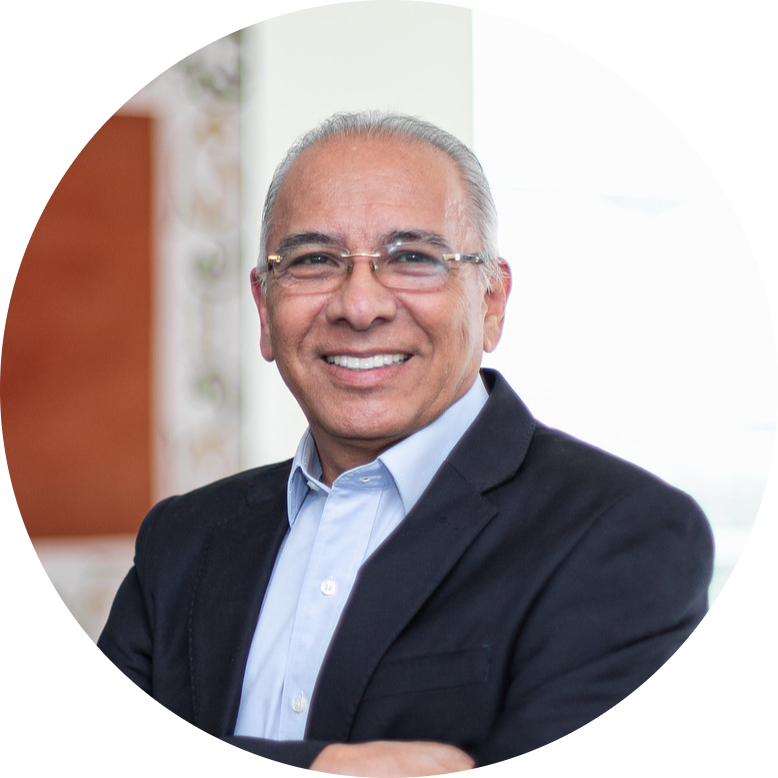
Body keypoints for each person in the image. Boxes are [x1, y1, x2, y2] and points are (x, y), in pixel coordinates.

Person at [98, 111, 714, 772]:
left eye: (413, 258)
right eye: (313, 260)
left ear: (492, 301)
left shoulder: (627, 535)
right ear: (264, 310)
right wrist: (332, 767)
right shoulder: (182, 539)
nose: (360, 307)